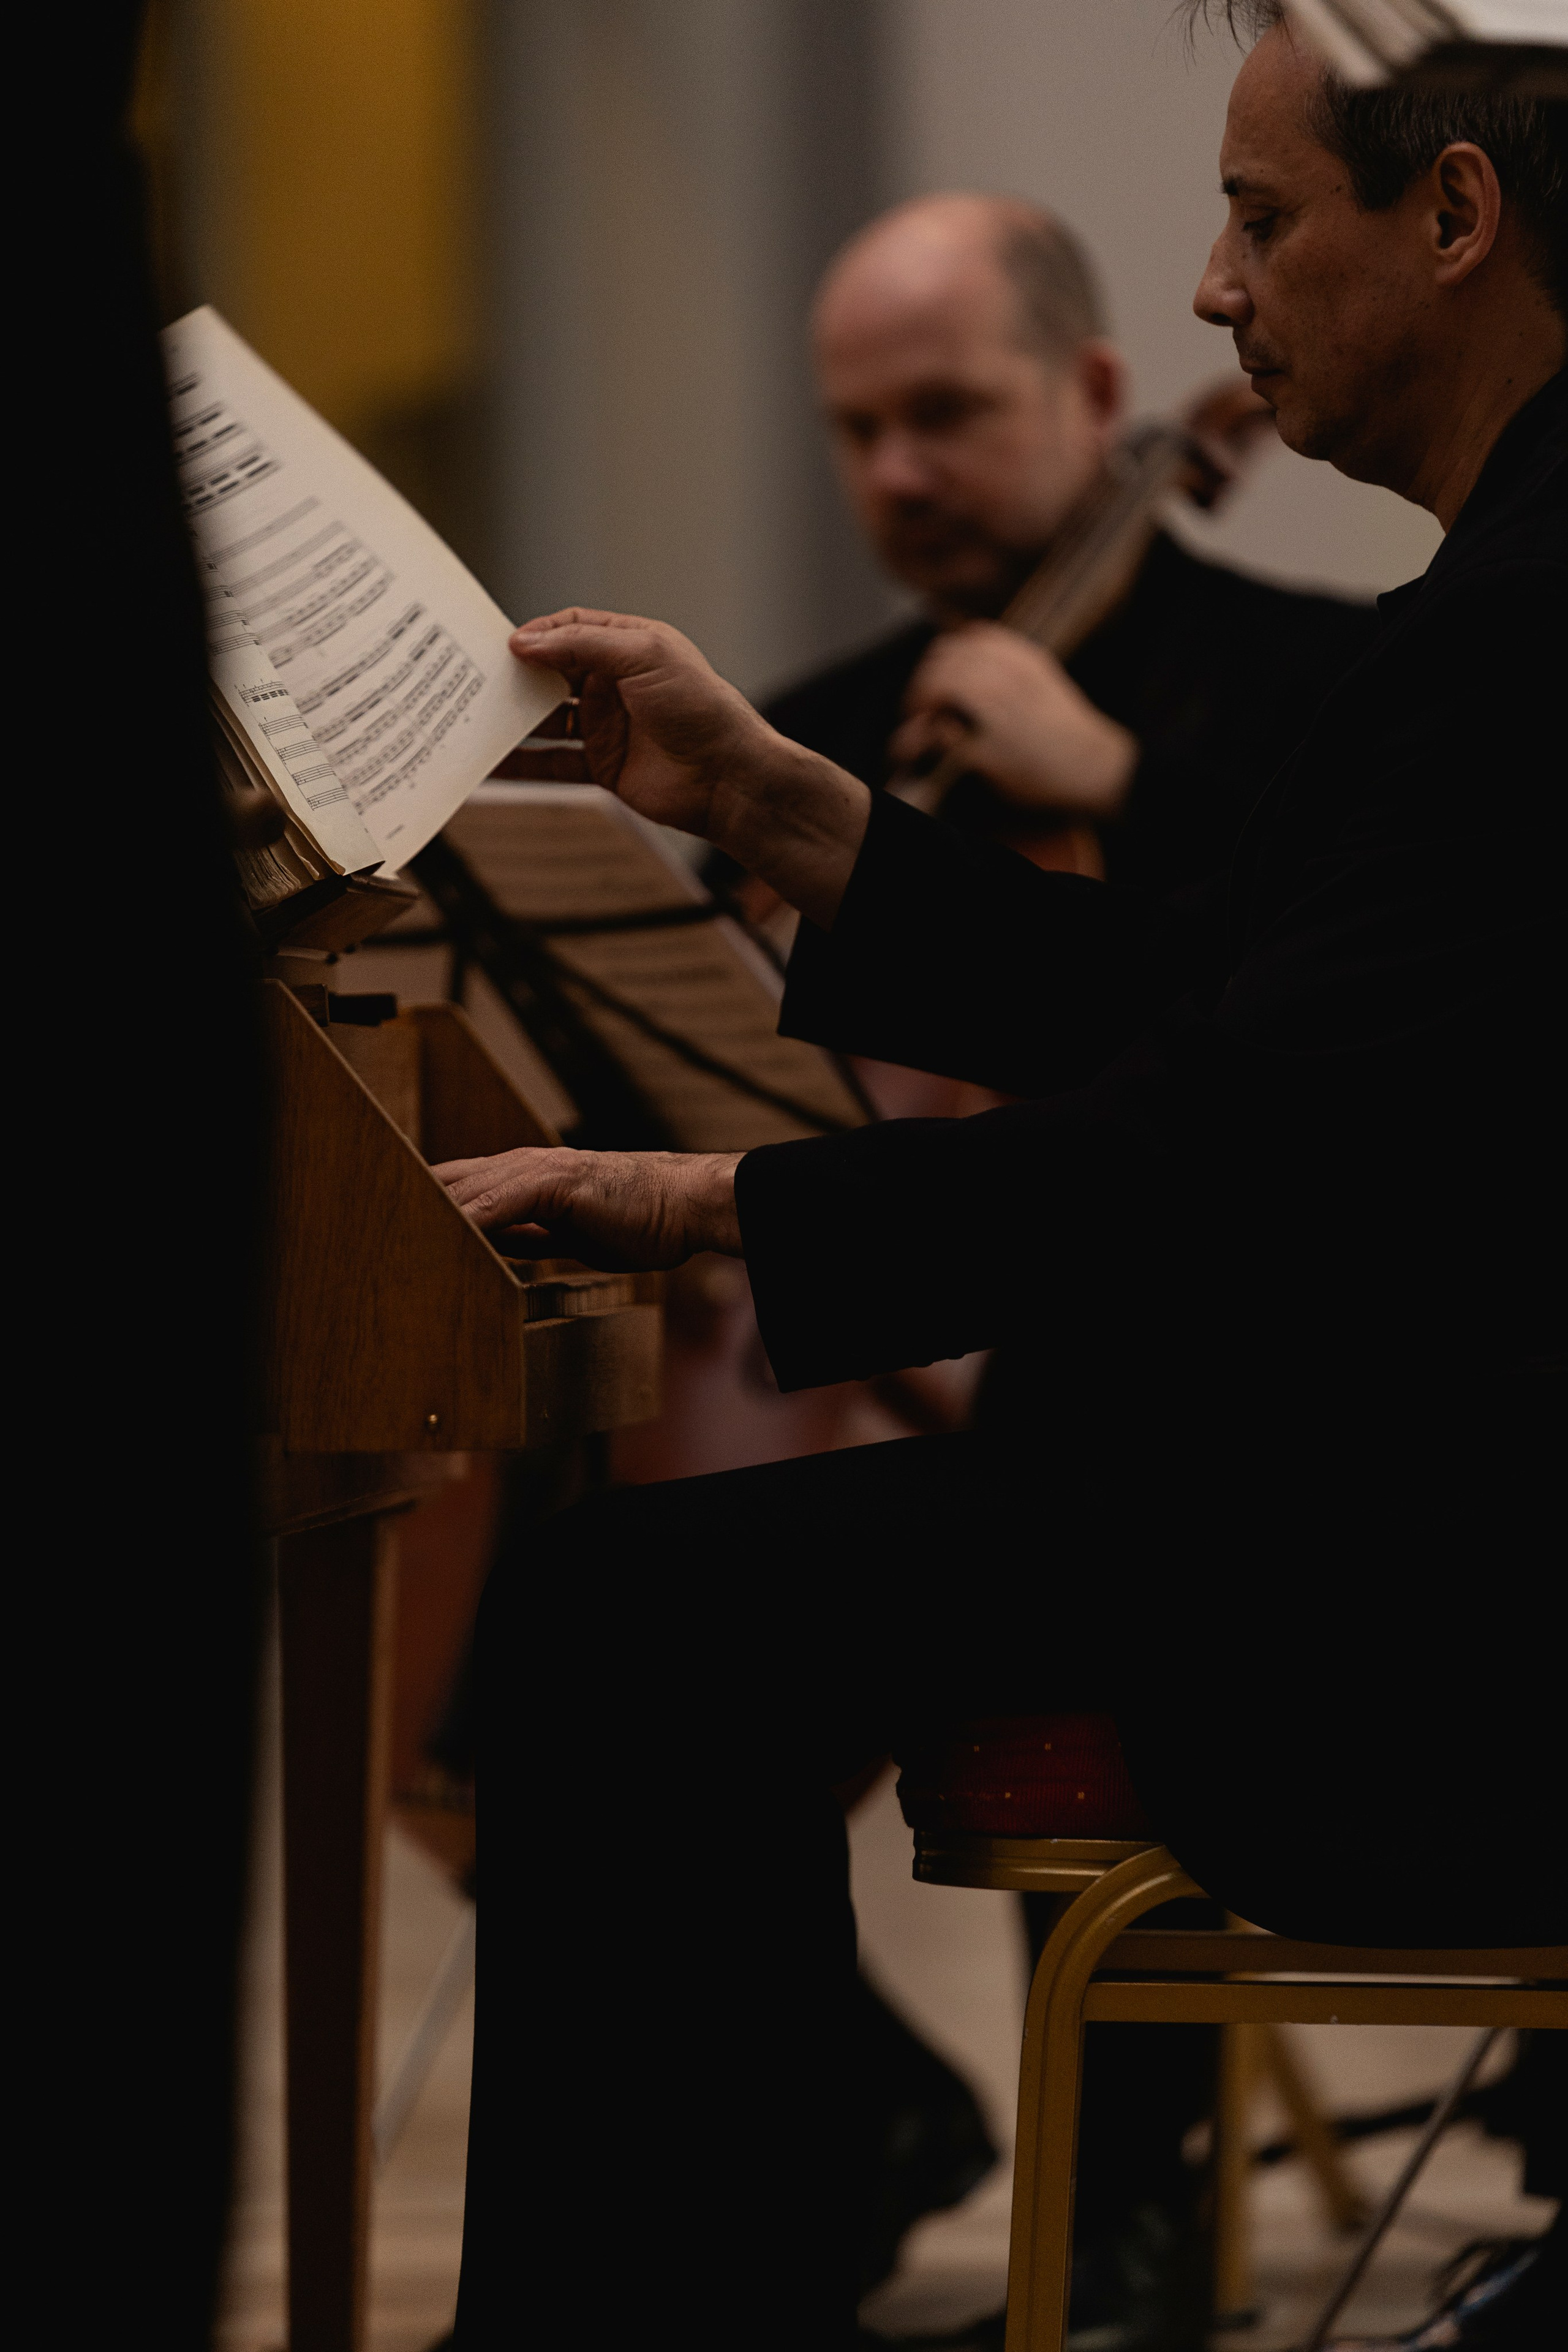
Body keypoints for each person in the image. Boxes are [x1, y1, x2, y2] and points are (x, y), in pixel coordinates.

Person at [445, 15, 1566, 2348]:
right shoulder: (1495, 599)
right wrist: (764, 796)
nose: (1206, 291)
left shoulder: (1502, 643)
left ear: (1451, 221)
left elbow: (1208, 1147)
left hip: (1429, 1584)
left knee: (617, 1619)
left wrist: (705, 1210)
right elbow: (1222, 1010)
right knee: (646, 1605)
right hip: (1426, 1481)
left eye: (1261, 218)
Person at [755, 191, 1377, 902]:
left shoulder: (1344, 679)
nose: (893, 477)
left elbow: (1385, 919)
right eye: (859, 429)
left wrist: (1118, 777)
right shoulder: (804, 736)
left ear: (1096, 393)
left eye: (944, 411)